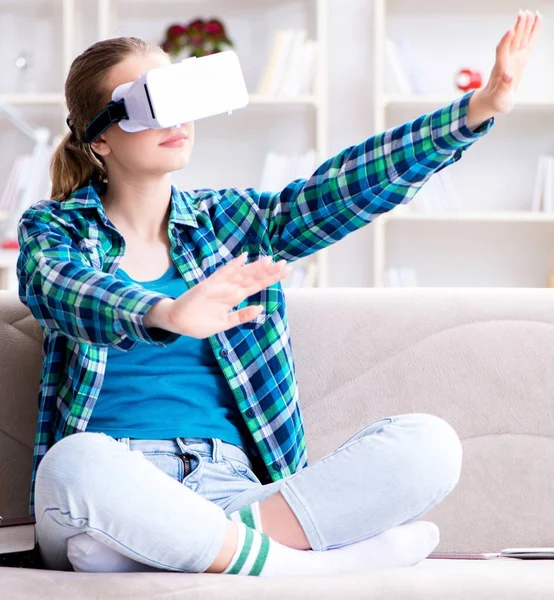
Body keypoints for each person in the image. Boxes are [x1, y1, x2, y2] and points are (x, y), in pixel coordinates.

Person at [16, 10, 541, 577]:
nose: (180, 119)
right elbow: (61, 289)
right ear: (99, 138)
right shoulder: (55, 230)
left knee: (430, 444)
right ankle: (297, 566)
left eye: (181, 96)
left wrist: (476, 111)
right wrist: (166, 312)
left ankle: (171, 551)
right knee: (75, 462)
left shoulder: (234, 223)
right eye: (150, 103)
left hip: (232, 487)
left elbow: (340, 190)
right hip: (111, 485)